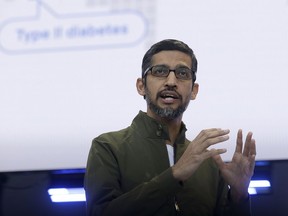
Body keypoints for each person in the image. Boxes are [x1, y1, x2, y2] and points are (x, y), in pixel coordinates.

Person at [84, 39, 256, 216]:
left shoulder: (209, 163)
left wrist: (238, 196)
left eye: (182, 73)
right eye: (160, 71)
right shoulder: (108, 147)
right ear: (141, 86)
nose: (172, 81)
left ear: (194, 90)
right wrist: (174, 175)